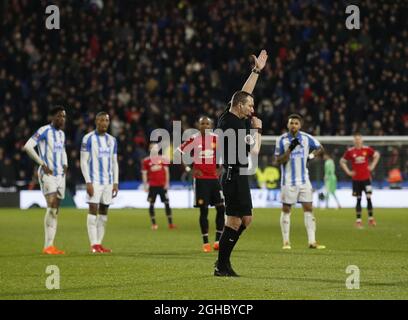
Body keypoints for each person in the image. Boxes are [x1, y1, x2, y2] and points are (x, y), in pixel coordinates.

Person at [214, 49, 267, 277]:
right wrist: (258, 130)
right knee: (237, 221)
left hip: (237, 174)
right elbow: (254, 150)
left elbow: (243, 93)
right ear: (240, 106)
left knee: (245, 219)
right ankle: (221, 265)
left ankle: (222, 261)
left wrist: (256, 71)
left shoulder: (229, 116)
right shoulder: (233, 127)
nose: (252, 109)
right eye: (250, 106)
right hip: (233, 175)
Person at [275, 113, 325, 250]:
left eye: (296, 123)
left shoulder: (307, 138)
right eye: (291, 123)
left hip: (304, 180)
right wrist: (290, 149)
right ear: (288, 125)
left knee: (309, 208)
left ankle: (312, 241)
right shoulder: (282, 140)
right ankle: (286, 242)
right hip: (288, 181)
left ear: (300, 125)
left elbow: (320, 148)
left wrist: (310, 155)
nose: (294, 125)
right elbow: (278, 160)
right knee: (286, 209)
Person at [176, 116, 225, 253]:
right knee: (204, 210)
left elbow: (224, 156)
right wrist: (189, 169)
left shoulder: (217, 139)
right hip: (201, 180)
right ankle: (205, 242)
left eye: (207, 124)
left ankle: (217, 241)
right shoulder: (193, 139)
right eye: (202, 123)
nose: (205, 126)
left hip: (214, 180)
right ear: (198, 125)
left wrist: (220, 169)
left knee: (221, 208)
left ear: (211, 126)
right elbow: (178, 153)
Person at [23, 106, 68, 255]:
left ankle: (50, 246)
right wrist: (42, 164)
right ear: (52, 117)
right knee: (52, 206)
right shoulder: (44, 131)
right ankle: (48, 246)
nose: (62, 119)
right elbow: (28, 147)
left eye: (64, 116)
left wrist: (65, 163)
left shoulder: (61, 134)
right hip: (47, 175)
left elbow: (62, 150)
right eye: (59, 116)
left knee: (55, 210)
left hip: (61, 175)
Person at [80, 112, 119, 253]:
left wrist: (115, 182)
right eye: (102, 120)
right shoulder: (88, 138)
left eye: (107, 120)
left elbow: (115, 162)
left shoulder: (112, 140)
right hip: (95, 181)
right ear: (96, 121)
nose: (104, 123)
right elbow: (83, 162)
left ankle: (99, 244)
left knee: (104, 212)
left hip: (108, 182)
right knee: (93, 210)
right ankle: (93, 244)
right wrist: (88, 182)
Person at [339, 133, 380, 228]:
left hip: (366, 179)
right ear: (354, 141)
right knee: (358, 199)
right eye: (356, 139)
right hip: (356, 180)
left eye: (359, 139)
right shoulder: (350, 151)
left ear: (362, 140)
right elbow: (342, 161)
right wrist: (348, 172)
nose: (357, 141)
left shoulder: (367, 149)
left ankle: (371, 219)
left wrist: (373, 165)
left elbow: (377, 155)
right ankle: (358, 221)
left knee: (369, 198)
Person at [142, 143, 176, 230]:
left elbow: (167, 171)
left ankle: (170, 224)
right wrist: (145, 185)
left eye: (156, 148)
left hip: (162, 185)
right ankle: (154, 224)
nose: (155, 150)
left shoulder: (163, 159)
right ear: (150, 149)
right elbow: (144, 174)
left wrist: (167, 183)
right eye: (153, 148)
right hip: (152, 186)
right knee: (151, 204)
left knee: (167, 203)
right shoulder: (146, 161)